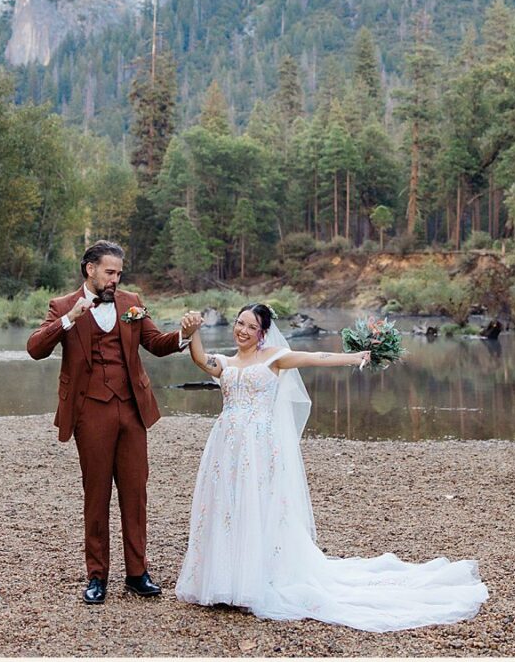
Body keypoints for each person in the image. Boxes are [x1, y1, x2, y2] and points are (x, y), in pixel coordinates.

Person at [175, 303, 488, 631]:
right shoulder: (225, 362)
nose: (242, 330)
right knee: (227, 506)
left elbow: (315, 358)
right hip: (226, 445)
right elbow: (200, 359)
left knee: (258, 505)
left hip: (259, 446)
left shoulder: (275, 357)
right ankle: (224, 579)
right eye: (240, 323)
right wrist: (191, 331)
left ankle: (252, 581)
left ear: (262, 333)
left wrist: (353, 357)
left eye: (250, 327)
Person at [26, 240, 205, 604]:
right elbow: (35, 349)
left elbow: (155, 342)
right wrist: (68, 319)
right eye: (109, 272)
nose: (115, 279)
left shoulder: (131, 302)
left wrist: (185, 333)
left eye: (119, 273)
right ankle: (97, 576)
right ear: (89, 268)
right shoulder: (62, 306)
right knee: (96, 495)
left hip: (132, 408)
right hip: (89, 411)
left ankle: (138, 574)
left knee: (136, 492)